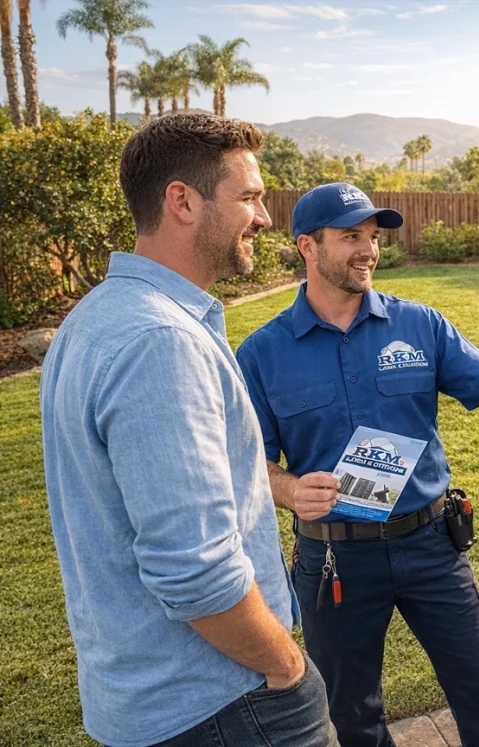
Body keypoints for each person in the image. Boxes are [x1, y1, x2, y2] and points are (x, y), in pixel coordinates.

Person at [234, 183, 479, 747]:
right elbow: (250, 462)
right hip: (335, 560)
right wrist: (291, 490)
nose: (368, 250)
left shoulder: (420, 325)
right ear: (307, 245)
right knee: (354, 713)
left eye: (374, 237)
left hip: (431, 547)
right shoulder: (262, 353)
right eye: (351, 237)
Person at [39, 113, 337, 747]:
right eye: (249, 197)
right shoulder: (160, 340)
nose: (264, 218)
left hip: (151, 698)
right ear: (182, 201)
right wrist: (285, 666)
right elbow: (194, 570)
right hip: (223, 701)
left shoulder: (96, 316)